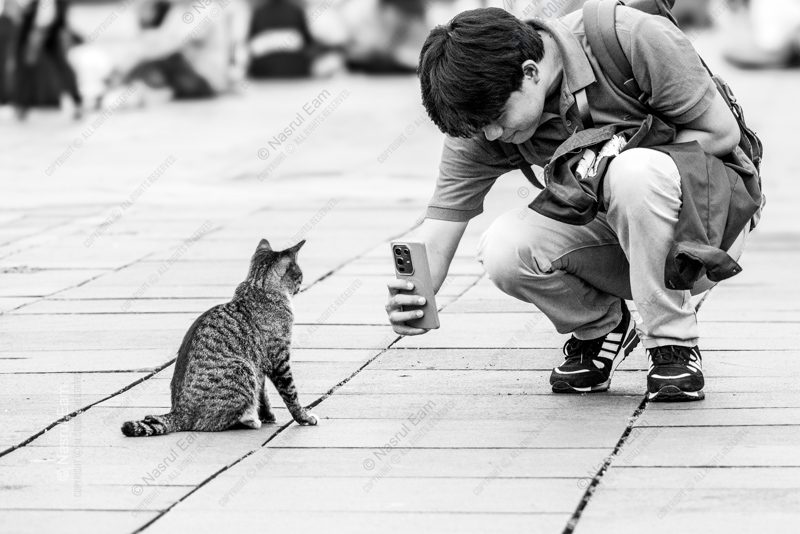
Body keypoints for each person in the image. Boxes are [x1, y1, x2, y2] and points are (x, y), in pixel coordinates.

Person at [384, 6, 760, 402]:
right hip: (618, 238)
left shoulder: (629, 36)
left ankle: (673, 344)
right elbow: (439, 231)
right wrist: (413, 297)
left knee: (631, 171)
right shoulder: (481, 119)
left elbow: (720, 133)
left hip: (702, 238)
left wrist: (611, 159)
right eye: (481, 127)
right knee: (503, 247)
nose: (492, 134)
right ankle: (601, 328)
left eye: (497, 117)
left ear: (530, 72)